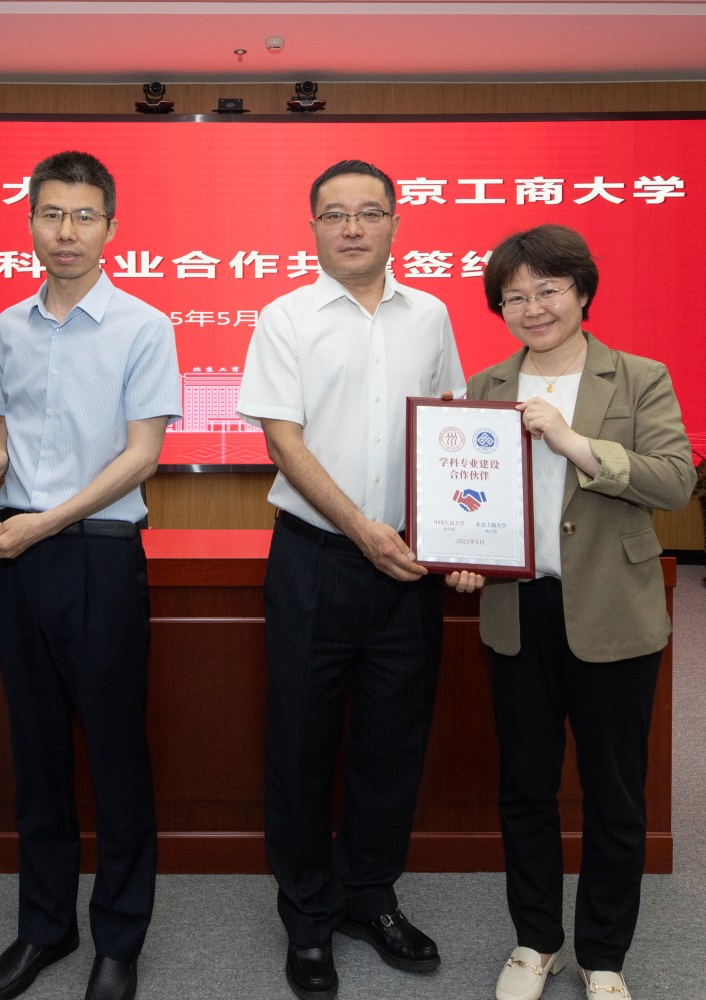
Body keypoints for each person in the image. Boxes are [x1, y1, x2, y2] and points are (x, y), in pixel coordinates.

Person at [236, 159, 469, 1000]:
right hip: (315, 558)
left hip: (408, 562)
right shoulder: (285, 317)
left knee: (391, 741)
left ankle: (370, 896)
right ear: (312, 228)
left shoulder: (431, 315)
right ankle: (306, 915)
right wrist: (361, 529)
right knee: (300, 745)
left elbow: (452, 428)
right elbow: (284, 442)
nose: (353, 227)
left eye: (369, 212)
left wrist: (459, 534)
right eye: (335, 214)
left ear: (396, 222)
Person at [448, 224, 694, 1000]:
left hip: (613, 610)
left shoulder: (639, 377)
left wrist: (574, 441)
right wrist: (464, 550)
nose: (533, 307)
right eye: (514, 296)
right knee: (525, 787)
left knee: (614, 794)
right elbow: (468, 492)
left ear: (581, 291)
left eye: (548, 289)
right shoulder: (485, 385)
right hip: (518, 612)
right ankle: (535, 941)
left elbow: (673, 481)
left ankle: (604, 953)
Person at [0, 150, 181, 1000]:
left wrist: (42, 522)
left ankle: (119, 939)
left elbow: (142, 456)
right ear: (29, 223)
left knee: (116, 752)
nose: (67, 231)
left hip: (97, 553)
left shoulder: (143, 325)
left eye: (84, 216)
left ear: (111, 228)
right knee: (36, 747)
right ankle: (44, 926)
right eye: (51, 214)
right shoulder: (8, 326)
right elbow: (7, 431)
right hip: (18, 553)